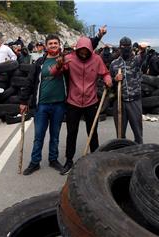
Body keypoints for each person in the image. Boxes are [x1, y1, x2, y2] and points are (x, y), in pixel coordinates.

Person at [52, 36, 112, 175]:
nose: (84, 53)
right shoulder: (70, 58)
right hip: (73, 102)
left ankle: (95, 159)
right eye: (81, 50)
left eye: (86, 51)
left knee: (92, 132)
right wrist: (59, 65)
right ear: (77, 49)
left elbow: (105, 73)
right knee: (71, 133)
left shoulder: (96, 59)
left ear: (90, 50)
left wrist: (108, 80)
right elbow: (54, 73)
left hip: (91, 102)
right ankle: (68, 160)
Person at [20, 34, 67, 175]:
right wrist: (23, 101)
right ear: (46, 46)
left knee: (55, 135)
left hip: (59, 104)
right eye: (50, 43)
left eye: (55, 43)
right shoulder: (40, 62)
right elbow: (29, 82)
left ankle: (53, 159)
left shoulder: (65, 61)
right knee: (39, 136)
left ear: (59, 45)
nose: (53, 45)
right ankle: (35, 162)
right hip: (42, 105)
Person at [109, 36, 143, 144]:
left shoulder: (136, 60)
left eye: (128, 46)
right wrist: (115, 79)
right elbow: (108, 82)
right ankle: (122, 153)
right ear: (119, 47)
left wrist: (143, 50)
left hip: (134, 100)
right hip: (120, 101)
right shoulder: (114, 64)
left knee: (138, 132)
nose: (126, 48)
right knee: (120, 134)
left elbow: (144, 57)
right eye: (123, 46)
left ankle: (139, 150)